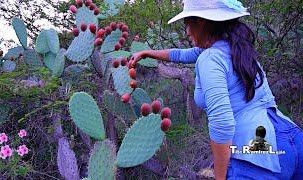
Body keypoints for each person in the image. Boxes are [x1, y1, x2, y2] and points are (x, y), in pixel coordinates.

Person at [129, 0, 303, 179]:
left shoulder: (210, 58)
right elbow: (182, 54)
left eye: (187, 23)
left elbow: (222, 123)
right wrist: (147, 53)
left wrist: (220, 177)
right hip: (291, 137)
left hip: (256, 152)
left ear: (201, 22)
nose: (187, 31)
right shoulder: (237, 48)